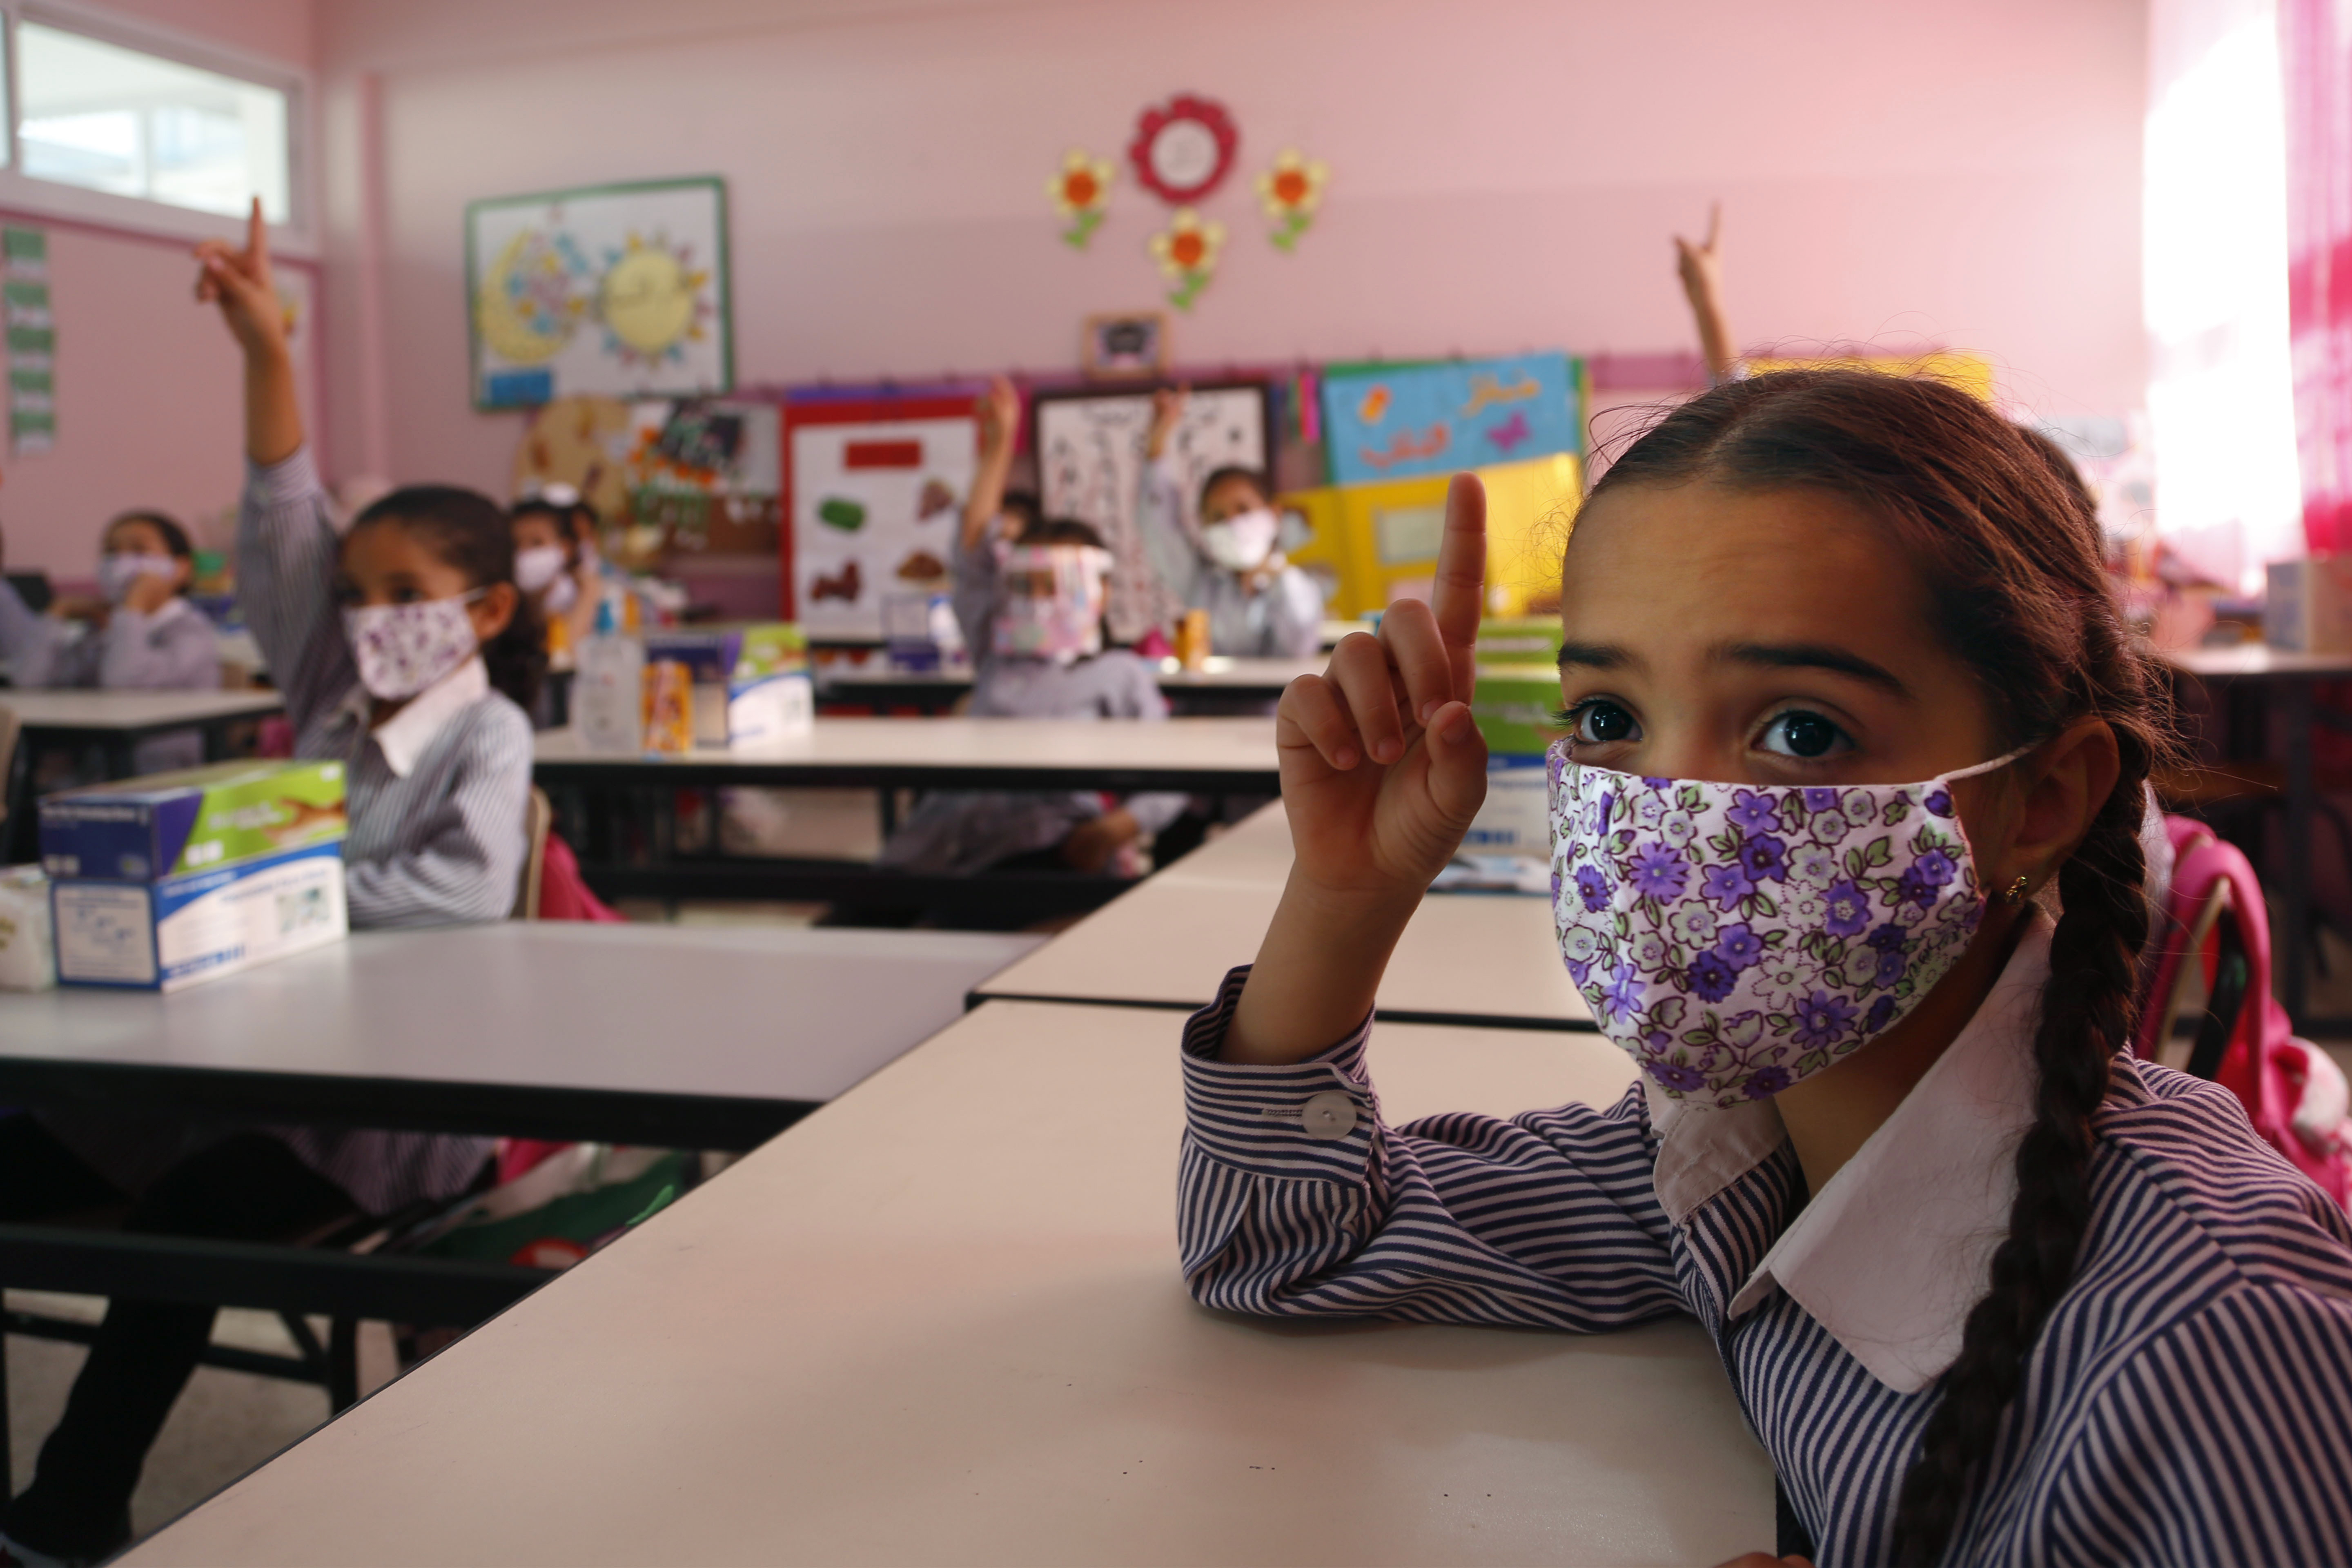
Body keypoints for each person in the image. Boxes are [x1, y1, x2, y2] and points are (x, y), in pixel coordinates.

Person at [1177, 369, 2352, 1566]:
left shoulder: (2216, 1338)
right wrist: (1346, 895)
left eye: (1801, 728)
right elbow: (1281, 1240)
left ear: (2041, 796)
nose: (1670, 813)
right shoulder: (1718, 1150)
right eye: (1610, 719)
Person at [0, 200, 537, 1568]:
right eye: (358, 595)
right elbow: (284, 525)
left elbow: (465, 895)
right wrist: (265, 347)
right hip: (225, 1058)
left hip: (385, 1109)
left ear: (485, 611)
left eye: (404, 590)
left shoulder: (488, 730)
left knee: (189, 1224)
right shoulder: (332, 693)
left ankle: (70, 1508)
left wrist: (282, 885)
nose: (370, 620)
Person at [875, 516, 1186, 902]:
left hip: (1049, 845)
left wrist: (1114, 830)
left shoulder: (1118, 674)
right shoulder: (995, 656)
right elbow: (971, 560)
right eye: (1026, 585)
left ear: (1100, 590)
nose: (1040, 599)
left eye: (1056, 584)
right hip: (950, 835)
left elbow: (1176, 776)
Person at [0, 510, 220, 772]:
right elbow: (29, 679)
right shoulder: (101, 633)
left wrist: (133, 607)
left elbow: (124, 681)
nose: (120, 562)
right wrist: (56, 614)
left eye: (139, 551)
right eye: (110, 552)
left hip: (162, 775)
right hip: (93, 775)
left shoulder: (190, 632)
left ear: (182, 569)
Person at [1138, 387, 1323, 658]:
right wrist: (1157, 443)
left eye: (1244, 509)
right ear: (1204, 530)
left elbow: (1300, 650)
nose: (1233, 523)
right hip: (1209, 702)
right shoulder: (1200, 584)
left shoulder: (1296, 586)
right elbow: (1159, 529)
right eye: (1217, 517)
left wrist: (1273, 579)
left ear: (1273, 514)